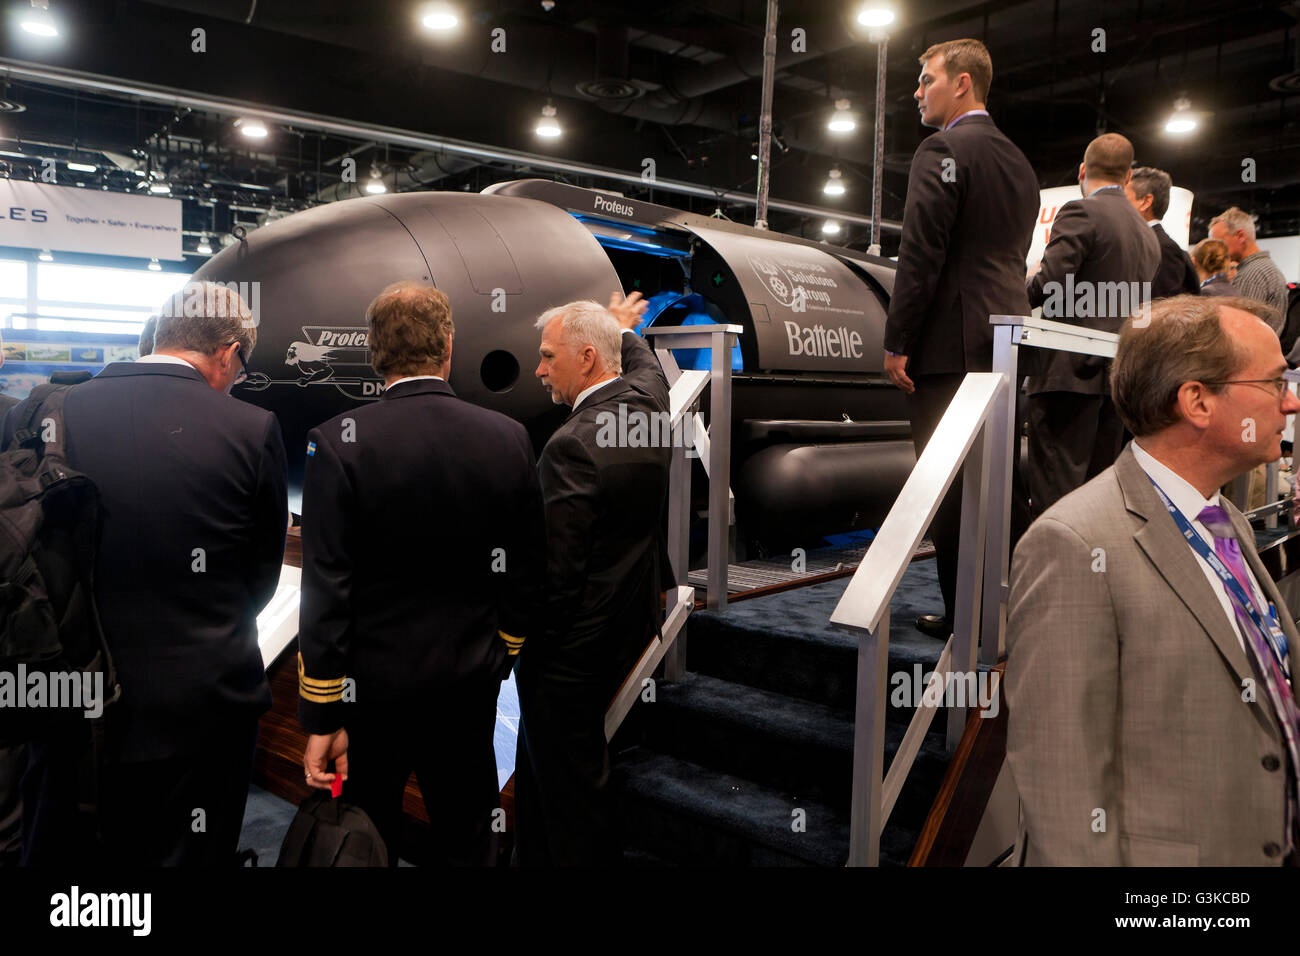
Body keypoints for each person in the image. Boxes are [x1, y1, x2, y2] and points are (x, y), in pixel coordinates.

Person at [1006, 294, 1300, 865]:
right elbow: (1062, 783)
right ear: (1197, 401)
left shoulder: (1224, 518)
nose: (1289, 402)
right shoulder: (1074, 543)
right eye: (1273, 383)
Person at [2, 280, 287, 866]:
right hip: (203, 707)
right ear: (229, 352)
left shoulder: (42, 412)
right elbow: (259, 577)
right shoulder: (252, 429)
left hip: (68, 696)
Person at [296, 282, 545, 866]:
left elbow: (326, 590)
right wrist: (501, 651)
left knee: (367, 839)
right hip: (468, 685)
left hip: (370, 697)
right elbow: (528, 570)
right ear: (449, 347)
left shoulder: (336, 444)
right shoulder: (507, 438)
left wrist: (323, 714)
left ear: (376, 352)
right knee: (469, 837)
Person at [881, 37, 1039, 638]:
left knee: (948, 487)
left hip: (950, 347)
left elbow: (921, 254)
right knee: (1001, 484)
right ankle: (1010, 607)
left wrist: (899, 341)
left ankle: (964, 619)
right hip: (1007, 338)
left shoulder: (941, 148)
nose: (918, 92)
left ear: (963, 83)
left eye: (926, 80)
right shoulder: (1019, 162)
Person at [514, 292, 671, 866]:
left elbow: (558, 574)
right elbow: (648, 367)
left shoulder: (570, 445)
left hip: (569, 656)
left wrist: (521, 644)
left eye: (548, 357)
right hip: (628, 627)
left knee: (570, 794)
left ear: (586, 359)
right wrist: (622, 327)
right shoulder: (650, 406)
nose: (538, 370)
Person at [1024, 132, 1160, 517]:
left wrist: (1023, 285)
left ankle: (1055, 577)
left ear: (1083, 171)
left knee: (1056, 496)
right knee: (1100, 497)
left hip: (1066, 377)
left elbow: (1048, 285)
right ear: (1128, 176)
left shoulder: (1080, 211)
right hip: (1115, 381)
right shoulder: (1145, 234)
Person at [1124, 166, 1199, 299]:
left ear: (1146, 202)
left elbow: (1162, 310)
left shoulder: (1163, 249)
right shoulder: (1151, 245)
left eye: (1123, 198)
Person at [1210, 207, 1288, 328]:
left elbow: (1242, 329)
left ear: (1241, 236)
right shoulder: (1265, 268)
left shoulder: (1251, 275)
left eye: (1219, 242)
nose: (1216, 249)